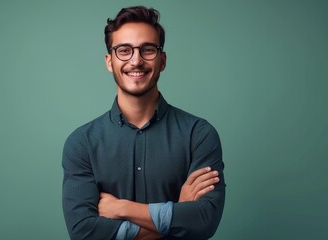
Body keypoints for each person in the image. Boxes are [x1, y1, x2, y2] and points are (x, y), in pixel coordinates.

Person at [62, 6, 226, 240]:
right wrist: (176, 212)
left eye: (147, 50)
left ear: (162, 60)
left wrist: (121, 208)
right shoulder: (82, 143)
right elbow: (84, 232)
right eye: (124, 50)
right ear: (109, 61)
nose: (136, 61)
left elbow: (204, 221)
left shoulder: (198, 135)